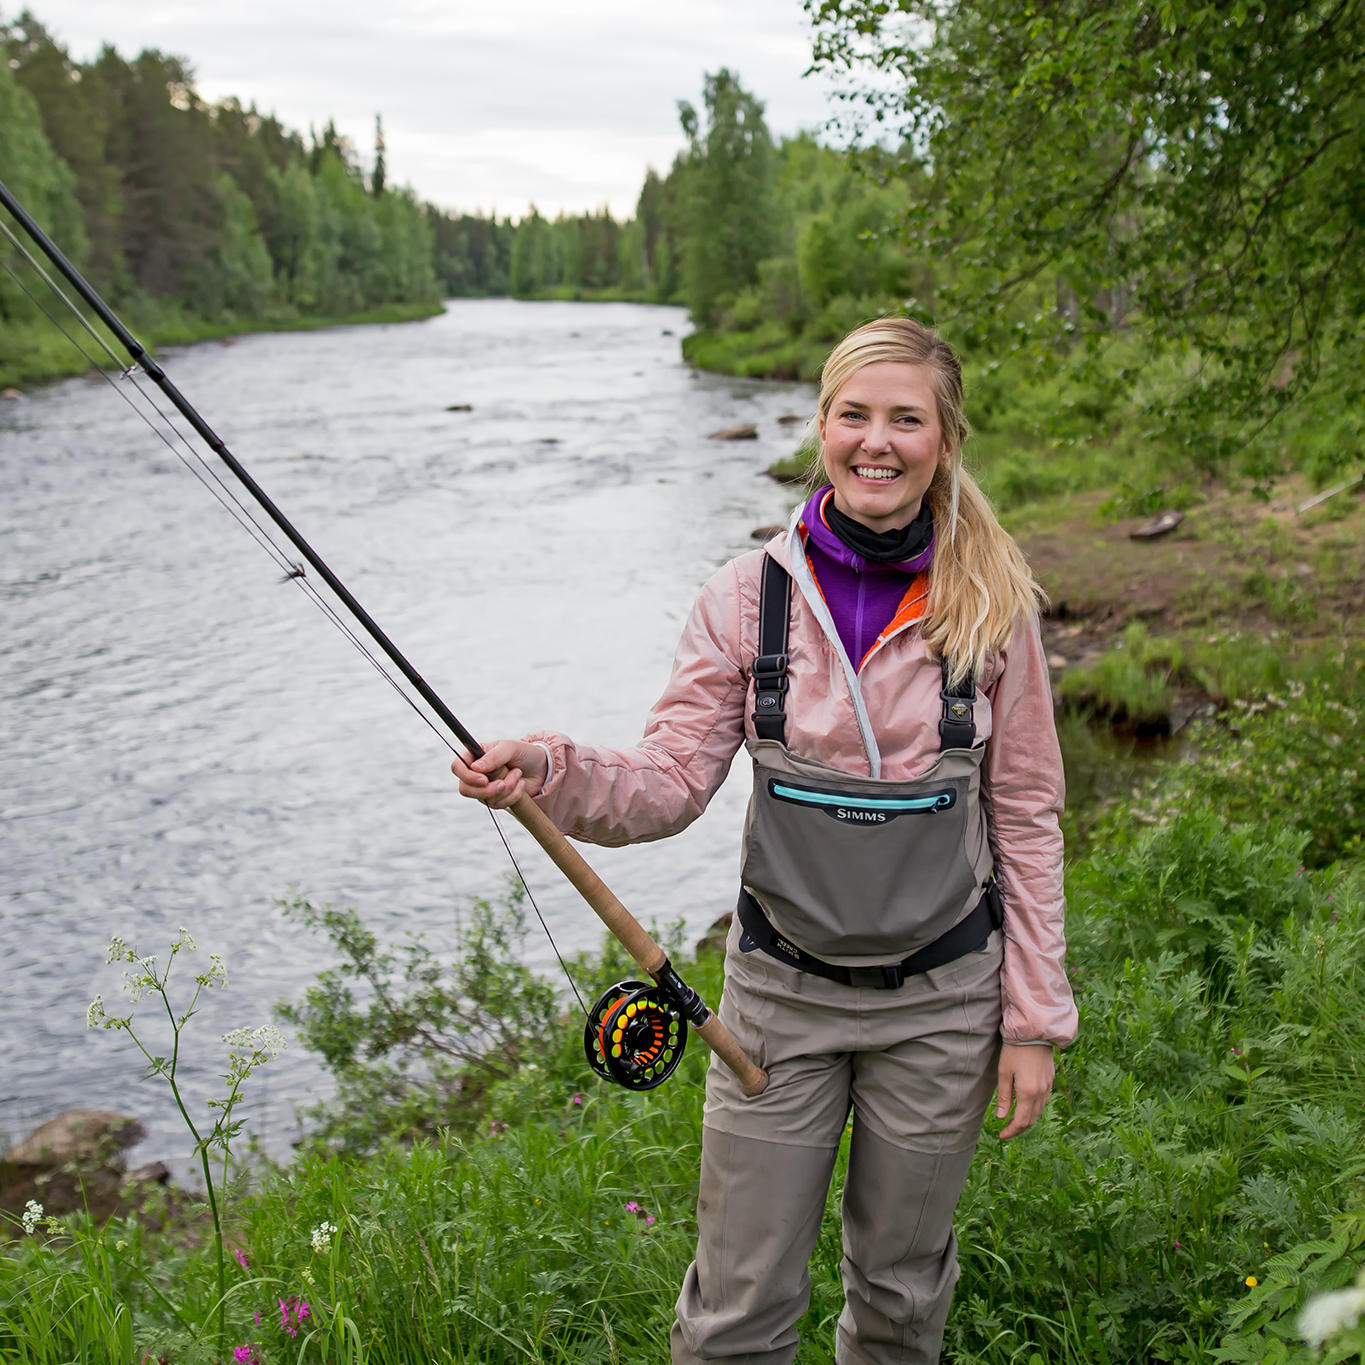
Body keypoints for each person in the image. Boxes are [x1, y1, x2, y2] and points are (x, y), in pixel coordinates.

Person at [452, 316, 1078, 1365]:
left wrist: (1033, 1022)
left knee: (900, 1300)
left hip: (943, 1011)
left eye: (906, 420)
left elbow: (1026, 816)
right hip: (775, 1009)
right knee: (736, 1311)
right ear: (823, 426)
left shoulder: (996, 608)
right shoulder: (747, 598)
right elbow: (664, 785)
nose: (877, 442)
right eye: (854, 415)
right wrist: (547, 770)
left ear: (946, 439)